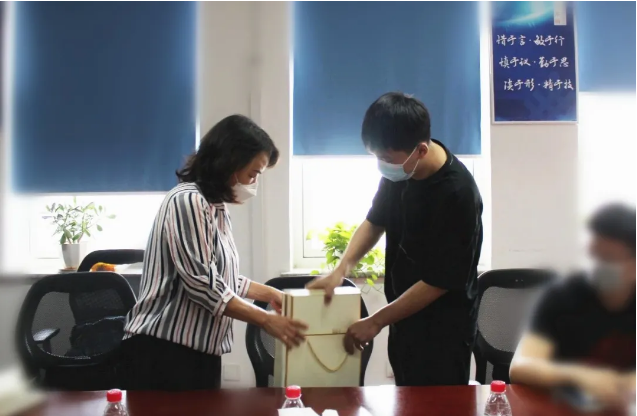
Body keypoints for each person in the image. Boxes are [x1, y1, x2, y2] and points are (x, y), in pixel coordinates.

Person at [119, 115, 307, 390]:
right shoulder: (188, 201)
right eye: (253, 173)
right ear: (230, 161)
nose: (253, 182)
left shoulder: (215, 208)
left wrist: (270, 294)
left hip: (198, 351)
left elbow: (221, 278)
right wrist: (265, 320)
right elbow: (203, 285)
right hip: (163, 352)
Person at [308, 92, 483, 386]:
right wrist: (341, 269)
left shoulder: (458, 194)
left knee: (437, 404)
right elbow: (375, 221)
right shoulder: (399, 172)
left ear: (421, 150)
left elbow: (438, 281)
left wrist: (376, 321)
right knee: (405, 397)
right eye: (377, 157)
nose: (382, 165)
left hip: (443, 331)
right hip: (403, 318)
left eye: (386, 159)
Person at [510, 203, 636, 407]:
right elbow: (520, 367)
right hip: (564, 406)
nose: (600, 267)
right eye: (595, 256)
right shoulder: (563, 295)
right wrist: (578, 376)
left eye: (609, 259)